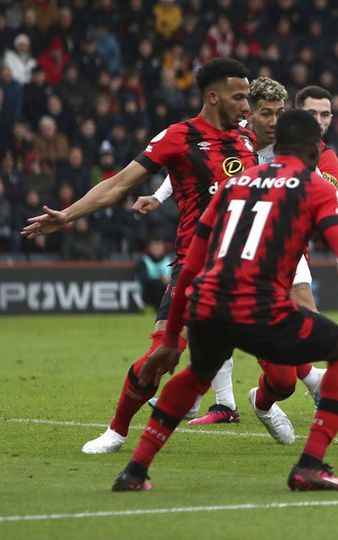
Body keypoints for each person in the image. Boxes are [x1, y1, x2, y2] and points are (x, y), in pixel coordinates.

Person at [112, 111, 338, 492]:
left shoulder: (235, 182)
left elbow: (192, 261)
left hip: (208, 303)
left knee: (197, 373)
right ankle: (310, 466)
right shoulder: (318, 187)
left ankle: (134, 471)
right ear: (315, 149)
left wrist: (169, 338)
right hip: (260, 306)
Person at [22, 58, 259, 454]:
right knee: (163, 355)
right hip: (196, 267)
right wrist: (67, 215)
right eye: (239, 97)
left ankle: (269, 405)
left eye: (248, 97)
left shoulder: (247, 139)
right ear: (213, 97)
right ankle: (116, 432)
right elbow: (118, 185)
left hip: (249, 267)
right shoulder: (178, 136)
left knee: (285, 360)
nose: (246, 106)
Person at [135, 80, 338, 425]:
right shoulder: (239, 138)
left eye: (325, 115)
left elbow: (324, 203)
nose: (318, 121)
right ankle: (223, 401)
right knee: (220, 315)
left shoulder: (314, 153)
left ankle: (327, 383)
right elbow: (196, 164)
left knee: (302, 312)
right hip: (237, 242)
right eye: (311, 113)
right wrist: (158, 197)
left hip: (284, 245)